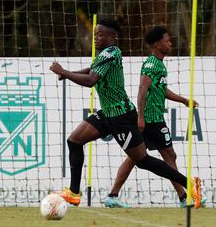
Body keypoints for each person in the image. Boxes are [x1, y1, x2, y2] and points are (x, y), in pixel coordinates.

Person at [49, 19, 202, 209]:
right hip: (107, 114)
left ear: (112, 37)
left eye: (101, 35)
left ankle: (189, 184)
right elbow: (92, 70)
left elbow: (90, 80)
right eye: (95, 34)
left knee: (142, 160)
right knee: (74, 141)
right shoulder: (104, 54)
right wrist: (68, 73)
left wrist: (64, 71)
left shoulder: (112, 52)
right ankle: (73, 193)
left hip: (122, 116)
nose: (96, 38)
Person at [104, 26, 206, 208]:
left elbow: (161, 89)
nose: (170, 43)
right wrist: (141, 117)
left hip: (152, 119)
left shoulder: (158, 64)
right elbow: (142, 89)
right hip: (151, 120)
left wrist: (183, 100)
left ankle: (113, 195)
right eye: (167, 41)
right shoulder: (152, 65)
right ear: (158, 44)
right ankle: (185, 197)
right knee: (168, 155)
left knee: (136, 157)